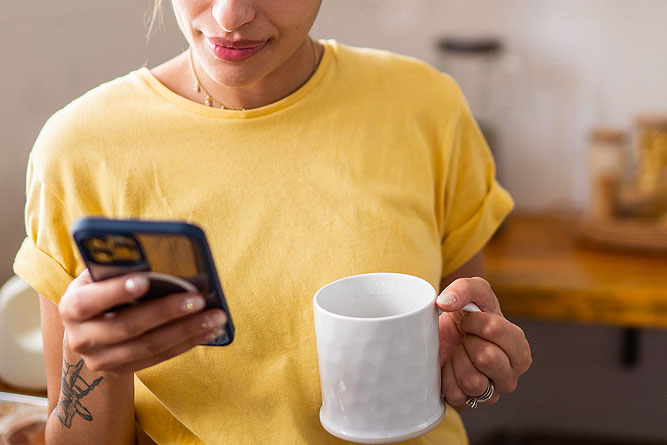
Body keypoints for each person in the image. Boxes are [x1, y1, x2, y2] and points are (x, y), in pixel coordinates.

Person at [13, 1, 532, 443]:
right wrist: (100, 368)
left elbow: (453, 346)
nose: (230, 15)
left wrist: (472, 367)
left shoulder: (426, 107)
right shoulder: (79, 148)